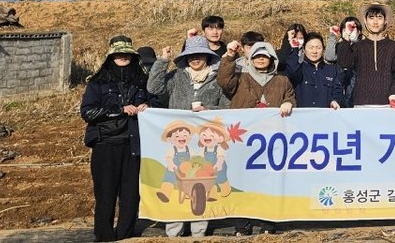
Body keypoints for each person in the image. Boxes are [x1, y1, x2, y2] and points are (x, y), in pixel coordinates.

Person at [147, 36, 229, 238]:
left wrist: (208, 110)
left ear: (207, 57)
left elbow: (227, 107)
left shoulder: (217, 80)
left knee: (201, 184)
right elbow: (153, 88)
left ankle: (198, 232)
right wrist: (162, 61)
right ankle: (174, 232)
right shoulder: (176, 77)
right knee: (177, 183)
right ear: (186, 57)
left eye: (199, 54)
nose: (195, 58)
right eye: (191, 55)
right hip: (180, 142)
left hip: (203, 144)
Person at [216, 40, 295, 236]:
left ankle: (267, 223)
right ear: (250, 59)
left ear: (272, 59)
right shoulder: (240, 78)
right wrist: (229, 57)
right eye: (257, 56)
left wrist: (288, 102)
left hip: (269, 139)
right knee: (241, 180)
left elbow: (290, 96)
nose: (261, 59)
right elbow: (223, 81)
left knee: (268, 182)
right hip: (242, 140)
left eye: (265, 56)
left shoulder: (281, 80)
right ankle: (242, 225)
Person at [81, 39, 151, 242]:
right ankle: (104, 236)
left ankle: (125, 235)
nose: (123, 57)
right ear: (110, 57)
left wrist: (147, 106)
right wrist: (119, 110)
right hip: (105, 143)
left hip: (133, 143)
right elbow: (87, 112)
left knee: (131, 193)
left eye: (127, 54)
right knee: (105, 193)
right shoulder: (97, 82)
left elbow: (156, 100)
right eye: (118, 54)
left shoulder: (142, 81)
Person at [337, 3, 395, 108]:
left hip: (387, 104)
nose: (375, 22)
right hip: (361, 104)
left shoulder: (394, 47)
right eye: (371, 17)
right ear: (365, 21)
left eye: (379, 17)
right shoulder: (358, 47)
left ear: (385, 21)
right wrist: (346, 37)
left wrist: (394, 94)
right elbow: (344, 63)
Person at [284, 33, 343, 109]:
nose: (314, 51)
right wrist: (294, 49)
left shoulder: (332, 70)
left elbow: (337, 90)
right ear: (304, 49)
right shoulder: (298, 69)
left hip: (326, 115)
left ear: (323, 49)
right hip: (302, 115)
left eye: (318, 48)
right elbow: (291, 72)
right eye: (311, 47)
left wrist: (335, 100)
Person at [325, 16, 363, 107]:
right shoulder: (340, 45)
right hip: (340, 84)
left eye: (353, 28)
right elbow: (330, 57)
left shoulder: (363, 46)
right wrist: (332, 36)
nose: (349, 31)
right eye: (346, 28)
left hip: (356, 88)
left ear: (359, 31)